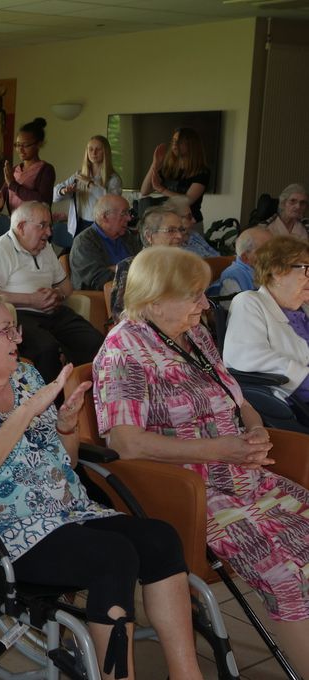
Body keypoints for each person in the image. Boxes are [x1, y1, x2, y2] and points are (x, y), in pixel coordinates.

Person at [0, 295, 202, 680]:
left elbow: (66, 461)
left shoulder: (25, 377)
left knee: (161, 538)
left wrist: (67, 425)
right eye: (6, 331)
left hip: (69, 510)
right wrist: (24, 413)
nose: (17, 339)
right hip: (4, 532)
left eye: (15, 329)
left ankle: (188, 675)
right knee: (113, 557)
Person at [93, 246, 309, 676]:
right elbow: (127, 443)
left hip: (242, 473)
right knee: (287, 571)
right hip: (190, 491)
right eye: (193, 295)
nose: (205, 304)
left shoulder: (195, 335)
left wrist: (254, 426)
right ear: (154, 299)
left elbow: (238, 396)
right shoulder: (125, 352)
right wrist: (219, 450)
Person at [0, 200, 103, 384]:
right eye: (42, 226)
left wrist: (56, 294)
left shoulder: (46, 249)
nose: (49, 232)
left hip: (53, 312)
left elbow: (67, 287)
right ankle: (50, 407)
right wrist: (31, 300)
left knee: (94, 341)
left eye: (49, 226)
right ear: (21, 227)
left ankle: (86, 396)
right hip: (17, 316)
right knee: (47, 349)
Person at [224, 236, 309, 402]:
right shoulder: (249, 302)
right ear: (277, 272)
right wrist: (303, 376)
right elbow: (247, 355)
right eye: (306, 268)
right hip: (288, 400)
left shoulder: (304, 307)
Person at [108, 204, 188, 322]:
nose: (179, 236)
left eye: (181, 229)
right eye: (171, 230)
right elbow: (120, 315)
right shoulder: (130, 267)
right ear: (149, 236)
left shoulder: (185, 265)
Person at [54, 135, 123, 236]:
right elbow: (54, 196)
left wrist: (90, 184)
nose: (93, 153)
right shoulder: (79, 175)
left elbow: (112, 205)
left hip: (101, 227)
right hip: (79, 226)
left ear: (105, 152)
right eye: (90, 149)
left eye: (98, 149)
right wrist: (63, 191)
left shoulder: (113, 179)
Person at [68, 195, 141, 291]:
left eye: (128, 213)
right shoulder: (84, 242)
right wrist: (132, 271)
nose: (129, 218)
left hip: (134, 292)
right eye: (123, 213)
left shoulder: (127, 236)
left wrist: (115, 269)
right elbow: (98, 281)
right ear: (105, 217)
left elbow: (142, 264)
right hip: (100, 300)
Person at [140, 127, 211, 224]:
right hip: (169, 222)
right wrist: (155, 164)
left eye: (179, 141)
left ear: (191, 145)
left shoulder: (202, 172)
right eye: (173, 141)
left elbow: (187, 200)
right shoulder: (169, 169)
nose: (174, 144)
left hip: (190, 223)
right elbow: (144, 190)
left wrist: (162, 189)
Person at [0, 118, 56, 216]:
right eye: (17, 145)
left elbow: (43, 202)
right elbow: (1, 201)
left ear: (38, 144)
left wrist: (13, 184)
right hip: (16, 226)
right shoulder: (14, 170)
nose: (20, 149)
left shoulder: (46, 170)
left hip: (36, 227)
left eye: (25, 145)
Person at [211, 226, 271, 300]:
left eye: (275, 246)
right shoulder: (233, 277)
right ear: (245, 258)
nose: (275, 253)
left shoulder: (272, 269)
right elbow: (233, 309)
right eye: (266, 250)